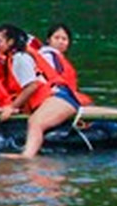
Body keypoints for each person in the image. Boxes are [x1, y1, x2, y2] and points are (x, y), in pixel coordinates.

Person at [7, 22, 89, 160]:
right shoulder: (46, 56)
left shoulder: (38, 57)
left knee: (36, 122)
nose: (60, 42)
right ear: (48, 40)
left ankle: (27, 157)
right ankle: (28, 156)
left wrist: (12, 107)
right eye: (57, 38)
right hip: (62, 98)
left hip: (62, 98)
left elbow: (34, 85)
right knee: (35, 122)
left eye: (64, 39)